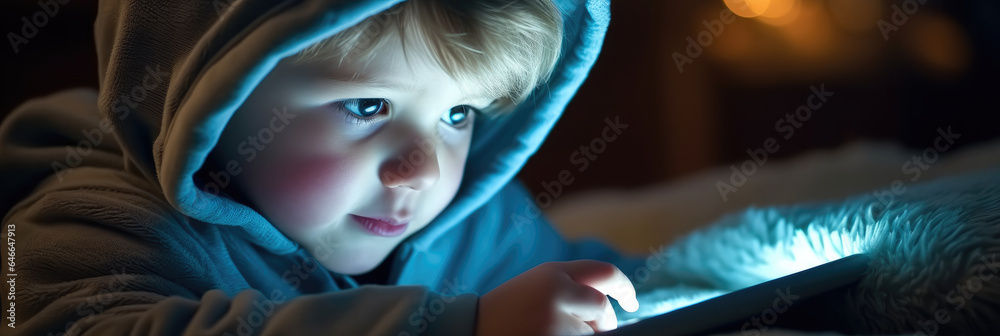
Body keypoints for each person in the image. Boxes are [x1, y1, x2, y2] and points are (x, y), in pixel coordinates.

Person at [1, 0, 655, 335]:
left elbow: (603, 282)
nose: (422, 171)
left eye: (459, 116)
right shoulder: (97, 224)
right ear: (212, 101)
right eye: (368, 105)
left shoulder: (474, 224)